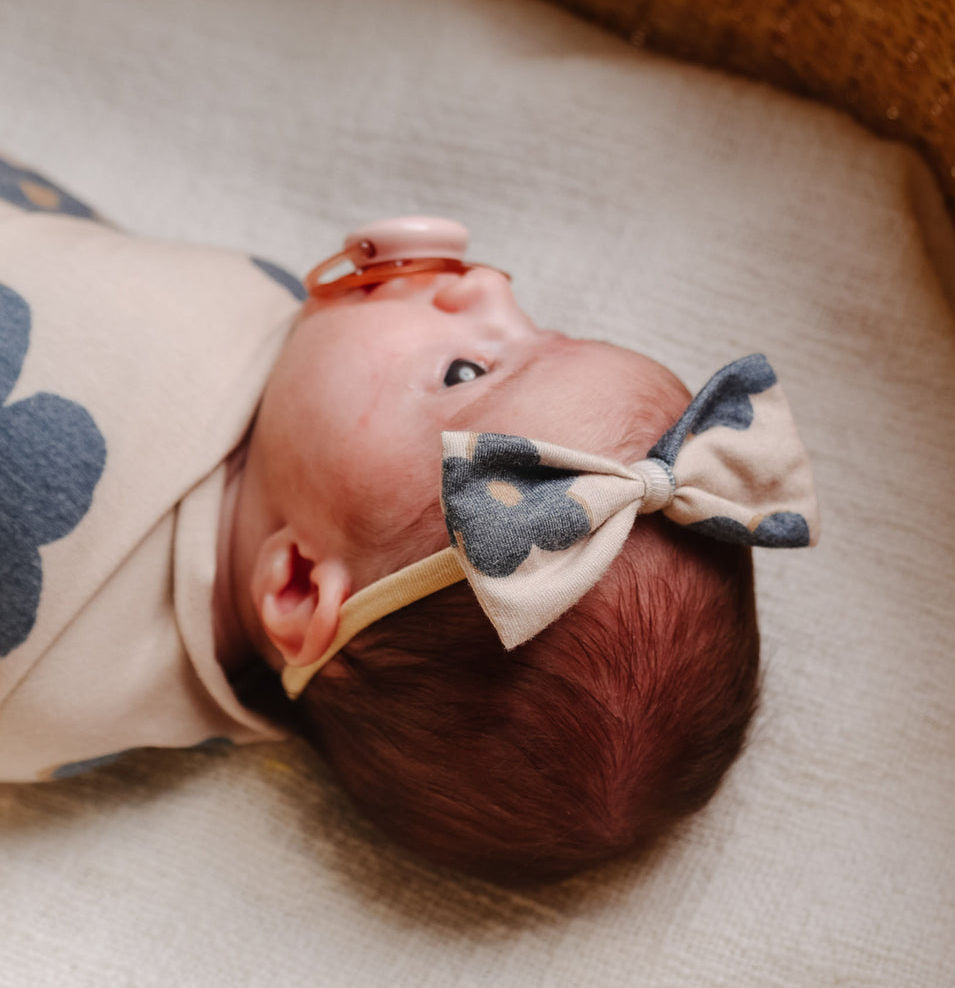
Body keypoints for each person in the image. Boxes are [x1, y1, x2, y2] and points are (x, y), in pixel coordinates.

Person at [0, 170, 819, 885]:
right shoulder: (307, 410)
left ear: (296, 584)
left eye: (465, 371)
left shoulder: (48, 591)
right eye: (535, 328)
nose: (486, 287)